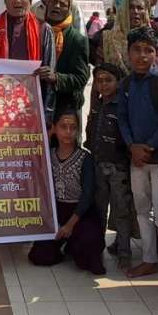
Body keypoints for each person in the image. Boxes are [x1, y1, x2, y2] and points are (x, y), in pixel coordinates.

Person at [116, 27, 158, 282]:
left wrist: (148, 147)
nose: (142, 56)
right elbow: (122, 118)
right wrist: (132, 146)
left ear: (156, 54)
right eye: (136, 50)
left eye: (148, 50)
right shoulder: (125, 84)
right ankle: (148, 260)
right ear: (128, 53)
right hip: (136, 160)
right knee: (142, 210)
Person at [28, 109, 105, 274]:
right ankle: (64, 246)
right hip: (57, 212)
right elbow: (34, 166)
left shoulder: (85, 158)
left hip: (80, 214)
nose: (68, 132)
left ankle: (73, 244)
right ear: (55, 128)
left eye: (73, 127)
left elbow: (87, 195)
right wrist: (48, 137)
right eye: (63, 127)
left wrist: (70, 226)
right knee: (40, 257)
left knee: (89, 262)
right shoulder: (49, 155)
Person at [87, 63, 134, 269]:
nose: (103, 85)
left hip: (118, 167)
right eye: (99, 81)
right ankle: (96, 248)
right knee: (99, 209)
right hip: (98, 165)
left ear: (118, 82)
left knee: (121, 210)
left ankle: (124, 251)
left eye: (108, 80)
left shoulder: (123, 105)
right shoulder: (97, 105)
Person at [45, 0, 91, 115]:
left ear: (69, 11)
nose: (57, 6)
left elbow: (81, 78)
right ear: (47, 6)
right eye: (54, 2)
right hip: (38, 102)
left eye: (63, 4)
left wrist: (56, 78)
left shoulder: (77, 39)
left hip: (63, 107)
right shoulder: (36, 31)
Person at [92, 0, 150, 72]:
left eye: (140, 8)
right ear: (122, 11)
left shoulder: (151, 39)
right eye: (131, 7)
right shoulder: (107, 39)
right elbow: (100, 70)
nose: (136, 11)